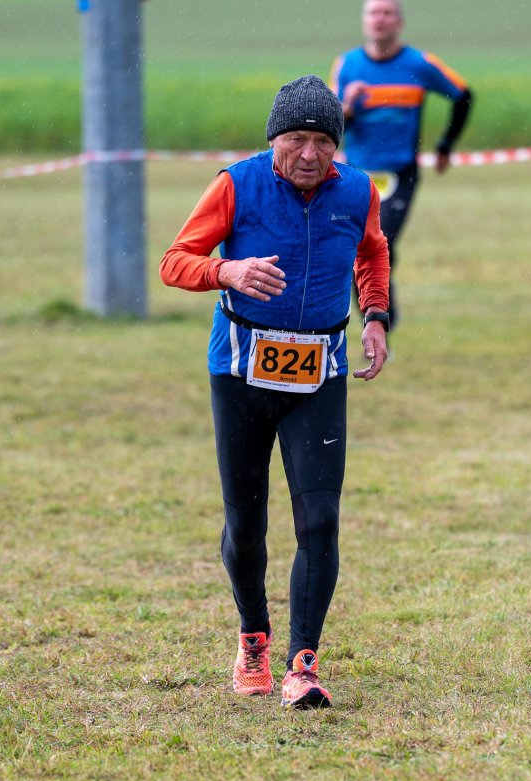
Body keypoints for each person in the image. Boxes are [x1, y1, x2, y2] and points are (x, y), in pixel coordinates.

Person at [159, 75, 390, 709]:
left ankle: (302, 663)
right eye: (295, 140)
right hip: (240, 373)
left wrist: (374, 315)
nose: (309, 154)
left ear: (337, 145)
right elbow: (174, 261)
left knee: (320, 519)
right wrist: (226, 269)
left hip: (320, 374)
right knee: (246, 523)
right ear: (273, 140)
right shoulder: (236, 184)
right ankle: (253, 637)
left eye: (322, 141)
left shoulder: (359, 190)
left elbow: (373, 252)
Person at [330, 0, 473, 328]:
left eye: (387, 13)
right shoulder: (346, 65)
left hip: (401, 173)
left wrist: (445, 146)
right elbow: (332, 127)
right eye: (373, 13)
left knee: (382, 242)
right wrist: (347, 106)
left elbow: (463, 95)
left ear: (400, 22)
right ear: (364, 21)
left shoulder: (419, 64)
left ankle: (381, 321)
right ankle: (376, 320)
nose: (379, 19)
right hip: (356, 174)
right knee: (354, 248)